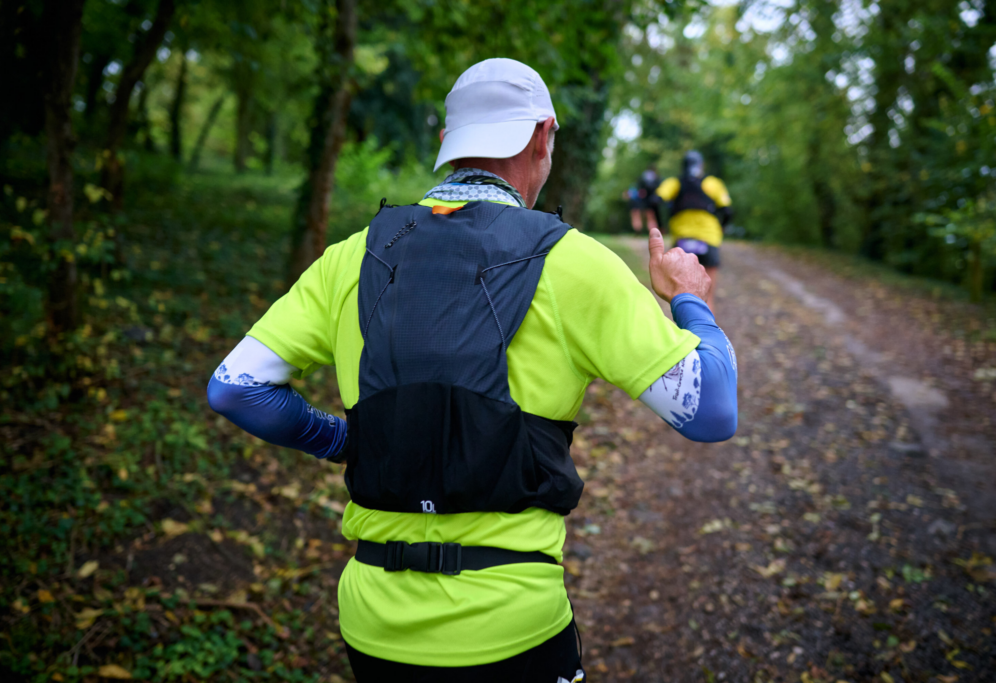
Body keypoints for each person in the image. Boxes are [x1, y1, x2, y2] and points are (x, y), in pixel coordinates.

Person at [207, 58, 738, 682]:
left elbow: (235, 390)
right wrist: (690, 302)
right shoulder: (572, 261)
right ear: (542, 136)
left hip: (374, 624)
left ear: (446, 145)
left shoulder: (349, 257)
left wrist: (342, 439)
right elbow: (712, 412)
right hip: (514, 625)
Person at [655, 151, 733, 314]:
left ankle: (684, 336)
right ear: (701, 165)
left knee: (682, 297)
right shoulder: (712, 183)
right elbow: (727, 210)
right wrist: (722, 227)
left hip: (682, 240)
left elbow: (656, 200)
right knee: (708, 295)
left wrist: (661, 225)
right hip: (709, 239)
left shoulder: (675, 183)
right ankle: (709, 337)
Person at [623, 164, 661, 233]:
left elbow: (639, 192)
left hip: (641, 201)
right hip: (651, 200)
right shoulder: (655, 178)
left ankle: (639, 231)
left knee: (638, 217)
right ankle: (653, 232)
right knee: (650, 217)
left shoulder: (643, 178)